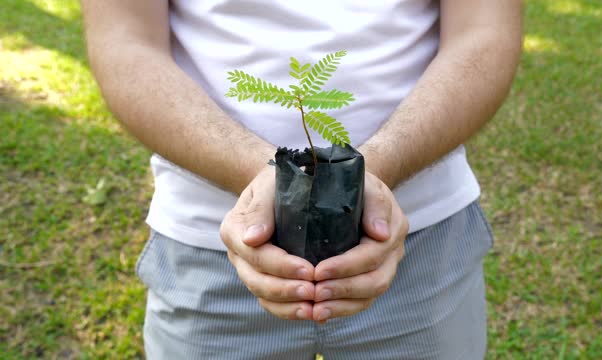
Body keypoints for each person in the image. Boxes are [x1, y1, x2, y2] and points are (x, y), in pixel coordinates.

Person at [82, 0, 522, 358]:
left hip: (422, 242)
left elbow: (484, 31)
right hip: (210, 245)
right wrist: (272, 177)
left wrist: (362, 174)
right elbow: (124, 41)